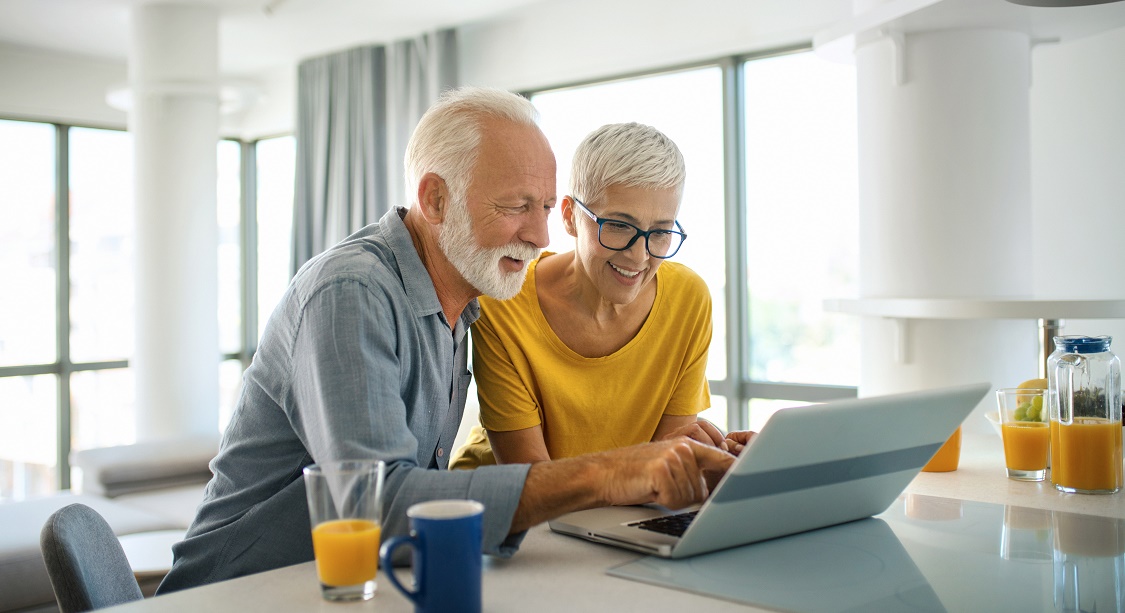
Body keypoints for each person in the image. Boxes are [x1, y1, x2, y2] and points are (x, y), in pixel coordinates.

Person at [157, 87, 735, 594]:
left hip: (359, 586)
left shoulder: (465, 302)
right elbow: (378, 506)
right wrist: (608, 472)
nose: (537, 236)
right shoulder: (352, 292)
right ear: (434, 200)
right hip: (243, 593)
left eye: (540, 207)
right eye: (514, 207)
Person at [451, 122, 744, 471]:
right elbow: (531, 482)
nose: (639, 256)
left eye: (661, 232)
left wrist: (719, 466)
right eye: (619, 226)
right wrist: (650, 471)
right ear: (570, 217)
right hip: (502, 515)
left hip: (615, 514)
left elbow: (665, 471)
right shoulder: (504, 299)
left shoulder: (688, 300)